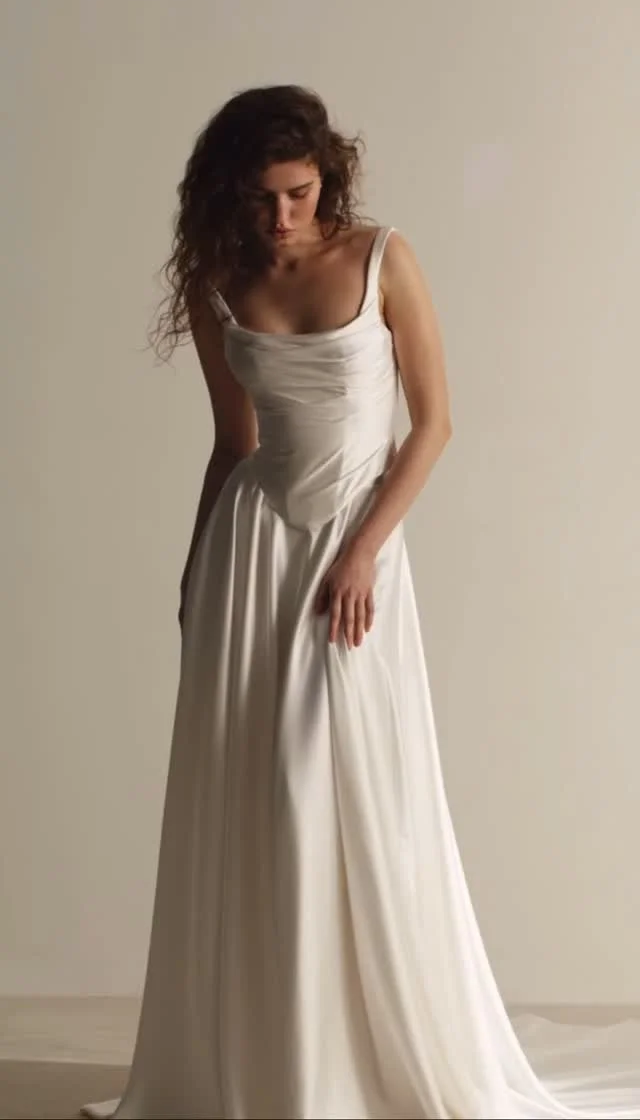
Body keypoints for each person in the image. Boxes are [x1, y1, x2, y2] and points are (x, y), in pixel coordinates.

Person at [82, 85, 640, 1120]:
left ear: (327, 177)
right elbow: (234, 443)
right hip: (252, 551)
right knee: (255, 789)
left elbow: (432, 424)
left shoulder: (384, 257)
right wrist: (195, 569)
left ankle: (351, 1047)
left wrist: (364, 553)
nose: (280, 216)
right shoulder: (218, 278)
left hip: (354, 546)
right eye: (259, 198)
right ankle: (268, 1052)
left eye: (297, 193)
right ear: (227, 193)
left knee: (340, 781)